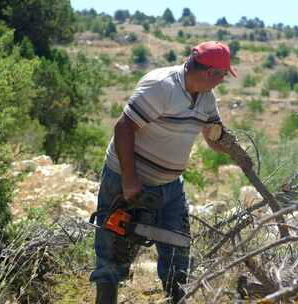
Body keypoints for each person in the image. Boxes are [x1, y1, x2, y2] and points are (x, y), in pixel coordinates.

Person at [90, 41, 237, 304]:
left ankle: (176, 298)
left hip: (170, 185)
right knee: (113, 251)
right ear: (208, 73)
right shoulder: (161, 86)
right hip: (127, 177)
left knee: (178, 252)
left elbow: (212, 137)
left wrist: (227, 143)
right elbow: (123, 128)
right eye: (222, 75)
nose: (222, 81)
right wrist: (129, 180)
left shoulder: (206, 98)